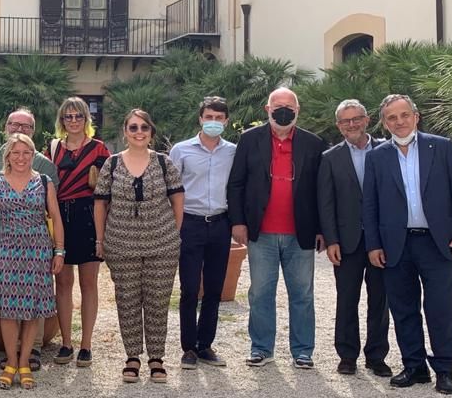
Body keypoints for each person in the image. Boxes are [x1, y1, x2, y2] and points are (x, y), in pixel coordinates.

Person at [362, 94, 452, 395]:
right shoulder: (377, 157)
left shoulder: (442, 147)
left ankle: (444, 370)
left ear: (415, 116)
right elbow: (370, 205)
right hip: (396, 245)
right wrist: (373, 245)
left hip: (437, 243)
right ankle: (414, 367)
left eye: (404, 115)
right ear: (384, 123)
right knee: (403, 309)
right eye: (392, 118)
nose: (399, 122)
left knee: (440, 309)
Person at [227, 87, 326, 369]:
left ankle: (303, 351)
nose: (284, 111)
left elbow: (322, 190)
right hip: (261, 233)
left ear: (298, 111)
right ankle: (261, 348)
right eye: (278, 106)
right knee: (260, 293)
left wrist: (322, 229)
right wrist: (238, 222)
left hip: (300, 233)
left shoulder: (313, 143)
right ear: (267, 110)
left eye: (289, 107)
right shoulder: (249, 140)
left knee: (302, 294)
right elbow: (236, 183)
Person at [94, 109, 184, 383]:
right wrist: (100, 239)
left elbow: (178, 199)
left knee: (157, 301)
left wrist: (174, 233)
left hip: (161, 244)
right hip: (121, 244)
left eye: (144, 127)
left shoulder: (163, 162)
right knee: (127, 301)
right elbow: (100, 204)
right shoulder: (111, 164)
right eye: (133, 127)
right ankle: (132, 357)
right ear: (125, 132)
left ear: (151, 132)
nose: (139, 132)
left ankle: (156, 358)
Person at [0, 133, 64, 390]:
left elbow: (56, 217)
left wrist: (59, 251)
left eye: (26, 152)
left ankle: (25, 362)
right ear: (7, 156)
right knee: (8, 310)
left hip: (38, 251)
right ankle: (11, 362)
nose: (21, 157)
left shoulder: (44, 182)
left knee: (32, 309)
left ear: (32, 155)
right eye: (16, 153)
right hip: (7, 250)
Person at [317, 99, 390, 377]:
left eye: (356, 118)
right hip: (346, 242)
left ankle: (376, 356)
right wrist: (331, 240)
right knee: (347, 299)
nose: (352, 124)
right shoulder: (330, 158)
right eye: (345, 121)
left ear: (367, 119)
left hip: (381, 240)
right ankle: (347, 355)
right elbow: (326, 203)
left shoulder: (388, 150)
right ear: (339, 126)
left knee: (380, 300)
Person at [167, 96, 236, 370]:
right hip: (190, 223)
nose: (213, 122)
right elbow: (171, 189)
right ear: (200, 119)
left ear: (226, 121)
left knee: (215, 288)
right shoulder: (181, 150)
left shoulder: (232, 152)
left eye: (219, 118)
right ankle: (188, 347)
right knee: (189, 288)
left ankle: (205, 344)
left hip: (220, 223)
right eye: (209, 117)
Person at [49, 97, 110, 367]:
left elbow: (107, 192)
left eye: (78, 116)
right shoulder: (53, 149)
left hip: (89, 215)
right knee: (62, 283)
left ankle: (86, 344)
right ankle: (66, 343)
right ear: (62, 120)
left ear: (86, 119)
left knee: (89, 283)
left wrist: (103, 232)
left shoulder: (99, 149)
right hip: (60, 216)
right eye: (68, 116)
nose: (73, 121)